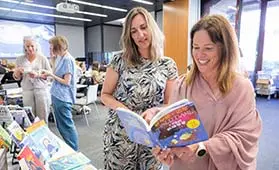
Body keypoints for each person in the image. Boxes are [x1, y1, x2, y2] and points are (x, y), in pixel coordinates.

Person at [151, 14, 262, 170]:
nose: (199, 55)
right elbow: (173, 131)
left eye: (208, 48)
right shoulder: (183, 84)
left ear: (225, 50)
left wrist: (202, 147)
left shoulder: (241, 88)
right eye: (196, 47)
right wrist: (166, 150)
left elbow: (244, 136)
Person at [101, 7, 178, 169]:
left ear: (152, 28)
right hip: (121, 134)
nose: (140, 35)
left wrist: (153, 111)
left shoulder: (168, 65)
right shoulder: (119, 60)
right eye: (134, 31)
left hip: (152, 136)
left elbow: (169, 104)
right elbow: (105, 95)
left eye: (143, 28)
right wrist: (125, 111)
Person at [41, 35, 78, 151]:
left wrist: (51, 75)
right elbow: (57, 74)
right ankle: (71, 149)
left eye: (52, 47)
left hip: (63, 97)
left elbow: (66, 82)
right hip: (58, 96)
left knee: (66, 126)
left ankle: (73, 150)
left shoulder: (67, 60)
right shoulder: (61, 58)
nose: (50, 49)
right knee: (62, 126)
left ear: (58, 47)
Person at [13, 36, 51, 123]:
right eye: (27, 46)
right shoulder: (20, 59)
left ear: (36, 46)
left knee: (42, 116)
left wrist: (38, 75)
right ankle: (32, 134)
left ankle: (44, 134)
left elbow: (49, 74)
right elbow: (16, 77)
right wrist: (18, 71)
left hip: (41, 90)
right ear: (24, 47)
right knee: (30, 116)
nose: (30, 48)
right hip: (27, 90)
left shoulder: (42, 58)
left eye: (32, 46)